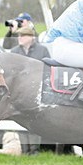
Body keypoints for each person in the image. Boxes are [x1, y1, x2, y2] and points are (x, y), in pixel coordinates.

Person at [9, 26, 49, 154]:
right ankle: (25, 149)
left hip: (37, 91)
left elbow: (48, 69)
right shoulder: (14, 51)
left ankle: (35, 149)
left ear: (31, 37)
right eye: (18, 35)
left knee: (34, 118)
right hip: (18, 92)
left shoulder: (42, 50)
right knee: (20, 119)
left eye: (23, 35)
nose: (19, 38)